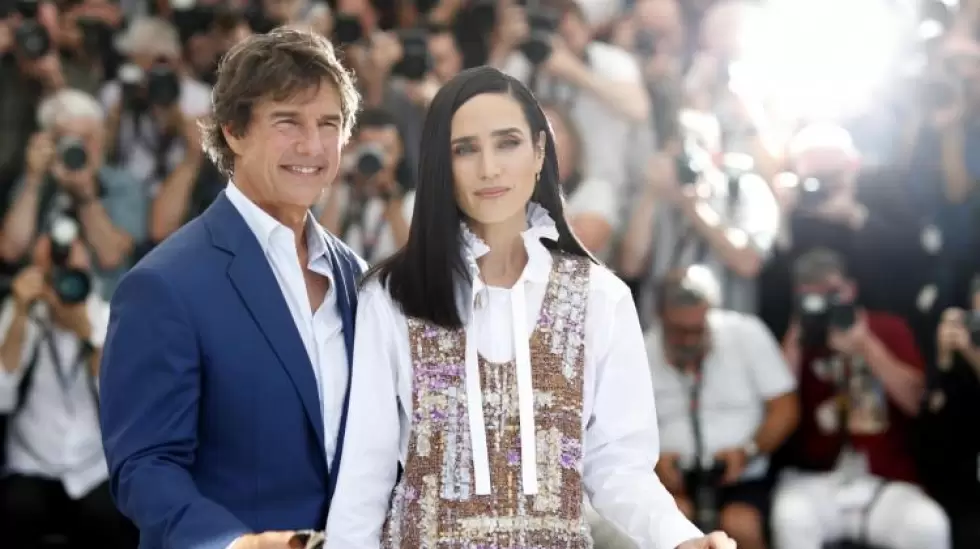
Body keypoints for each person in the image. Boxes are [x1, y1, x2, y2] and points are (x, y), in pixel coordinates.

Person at [324, 66, 735, 549]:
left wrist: (679, 538)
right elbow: (364, 476)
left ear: (540, 151)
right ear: (440, 163)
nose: (489, 168)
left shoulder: (599, 297)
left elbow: (617, 466)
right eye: (465, 149)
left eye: (508, 143)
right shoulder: (392, 296)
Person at [98, 27, 365, 549]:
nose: (312, 145)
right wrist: (235, 544)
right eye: (288, 121)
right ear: (234, 131)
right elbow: (145, 466)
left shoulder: (359, 276)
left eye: (328, 124)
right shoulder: (162, 285)